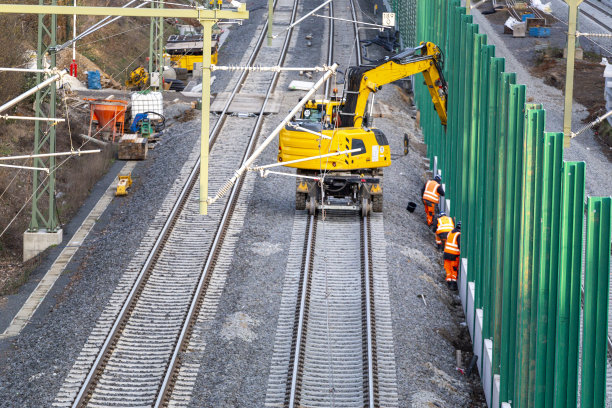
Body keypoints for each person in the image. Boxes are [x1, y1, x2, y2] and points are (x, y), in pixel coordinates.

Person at [443, 221, 461, 291]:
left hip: (446, 253)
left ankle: (449, 281)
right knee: (453, 269)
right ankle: (453, 284)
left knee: (448, 268)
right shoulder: (458, 234)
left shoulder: (450, 232)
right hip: (454, 255)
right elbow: (460, 245)